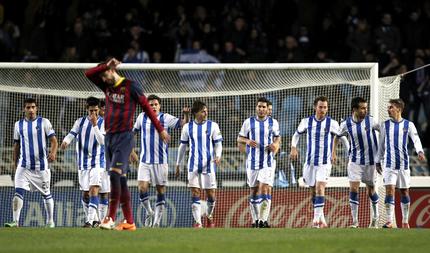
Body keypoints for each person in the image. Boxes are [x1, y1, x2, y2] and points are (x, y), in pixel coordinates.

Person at [85, 58, 170, 231]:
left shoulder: (131, 86)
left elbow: (146, 107)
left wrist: (160, 129)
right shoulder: (106, 86)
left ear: (113, 71)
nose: (104, 78)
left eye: (106, 74)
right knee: (119, 179)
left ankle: (110, 217)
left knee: (115, 175)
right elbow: (88, 74)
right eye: (102, 75)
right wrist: (106, 66)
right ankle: (130, 221)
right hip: (109, 137)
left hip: (124, 137)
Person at [133, 94, 190, 227]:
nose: (153, 106)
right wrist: (131, 150)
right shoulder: (141, 117)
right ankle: (149, 212)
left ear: (160, 106)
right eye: (151, 104)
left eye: (155, 104)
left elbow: (183, 124)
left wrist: (185, 115)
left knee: (160, 190)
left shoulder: (166, 118)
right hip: (145, 161)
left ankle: (157, 223)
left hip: (161, 161)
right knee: (142, 188)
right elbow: (132, 133)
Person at [4, 98, 58, 228]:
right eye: (28, 107)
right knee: (18, 192)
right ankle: (15, 222)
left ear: (37, 108)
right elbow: (16, 145)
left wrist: (53, 152)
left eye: (33, 107)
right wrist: (14, 162)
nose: (31, 110)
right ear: (24, 109)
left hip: (41, 167)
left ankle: (50, 221)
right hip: (24, 166)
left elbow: (54, 141)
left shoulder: (44, 122)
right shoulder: (18, 125)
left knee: (46, 194)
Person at [290, 96, 340, 228]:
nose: (323, 110)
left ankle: (316, 221)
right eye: (320, 107)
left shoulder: (333, 123)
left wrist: (337, 151)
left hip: (324, 163)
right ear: (315, 107)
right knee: (313, 191)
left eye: (325, 107)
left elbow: (341, 137)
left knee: (320, 187)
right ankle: (322, 218)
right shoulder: (306, 122)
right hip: (309, 163)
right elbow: (296, 135)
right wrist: (293, 147)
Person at [376, 98, 426, 229]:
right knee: (389, 190)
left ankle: (404, 221)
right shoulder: (385, 125)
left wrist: (420, 151)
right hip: (388, 164)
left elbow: (416, 139)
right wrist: (377, 160)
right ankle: (389, 221)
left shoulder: (408, 125)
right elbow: (381, 144)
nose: (388, 109)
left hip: (403, 164)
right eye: (388, 107)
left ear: (399, 109)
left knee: (404, 192)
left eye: (391, 107)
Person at [60, 96, 109, 228]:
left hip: (97, 162)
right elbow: (72, 134)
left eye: (96, 111)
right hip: (82, 163)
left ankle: (89, 221)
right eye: (91, 110)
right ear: (87, 109)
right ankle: (95, 220)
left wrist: (94, 125)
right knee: (86, 194)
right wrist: (66, 141)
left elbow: (102, 141)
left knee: (94, 190)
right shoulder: (79, 122)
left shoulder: (103, 122)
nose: (94, 113)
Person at [332, 97, 380, 228]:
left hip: (370, 162)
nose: (365, 110)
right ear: (354, 109)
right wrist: (333, 152)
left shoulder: (371, 120)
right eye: (363, 108)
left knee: (371, 191)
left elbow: (384, 132)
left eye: (366, 108)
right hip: (355, 161)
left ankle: (376, 217)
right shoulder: (346, 124)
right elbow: (337, 137)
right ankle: (355, 222)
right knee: (353, 188)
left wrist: (381, 154)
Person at [175, 100, 223, 228]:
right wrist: (178, 164)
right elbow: (182, 147)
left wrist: (218, 156)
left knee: (211, 195)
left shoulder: (213, 125)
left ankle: (209, 215)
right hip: (193, 165)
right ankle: (198, 222)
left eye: (206, 110)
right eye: (203, 111)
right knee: (195, 192)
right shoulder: (187, 127)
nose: (206, 112)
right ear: (196, 113)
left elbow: (218, 144)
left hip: (209, 164)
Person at [237, 97, 281, 228]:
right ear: (256, 108)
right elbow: (239, 138)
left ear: (268, 110)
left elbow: (278, 138)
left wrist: (275, 145)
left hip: (267, 162)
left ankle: (263, 219)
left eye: (264, 107)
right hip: (252, 162)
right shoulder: (248, 122)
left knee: (264, 188)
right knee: (254, 191)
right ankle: (255, 219)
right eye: (259, 106)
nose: (261, 109)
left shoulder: (273, 123)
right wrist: (247, 141)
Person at [97, 99, 110, 221]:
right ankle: (94, 219)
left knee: (105, 192)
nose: (105, 110)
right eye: (103, 108)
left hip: (108, 161)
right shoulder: (93, 123)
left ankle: (103, 220)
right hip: (95, 163)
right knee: (93, 191)